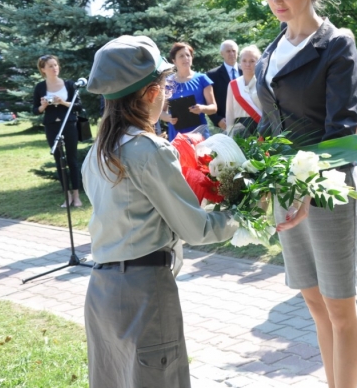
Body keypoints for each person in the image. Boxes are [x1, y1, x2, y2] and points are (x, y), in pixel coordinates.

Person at [81, 35, 238, 387]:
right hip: (144, 290)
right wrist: (244, 215)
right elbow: (196, 229)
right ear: (152, 93)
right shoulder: (148, 149)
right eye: (165, 87)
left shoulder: (97, 152)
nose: (167, 95)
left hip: (102, 289)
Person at [254, 0, 357, 388]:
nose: (276, 1)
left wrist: (306, 189)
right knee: (315, 304)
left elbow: (341, 130)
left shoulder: (337, 45)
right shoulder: (270, 51)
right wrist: (254, 177)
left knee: (340, 308)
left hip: (328, 188)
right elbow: (269, 124)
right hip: (286, 189)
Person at [32, 55, 83, 207]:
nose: (55, 68)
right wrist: (43, 106)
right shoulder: (40, 87)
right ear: (43, 69)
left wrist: (63, 102)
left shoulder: (69, 84)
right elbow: (35, 110)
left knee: (72, 160)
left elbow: (78, 106)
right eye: (50, 66)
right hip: (51, 126)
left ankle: (76, 196)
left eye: (56, 65)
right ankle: (67, 196)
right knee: (59, 160)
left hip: (69, 124)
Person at [160, 42, 217, 141]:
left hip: (199, 133)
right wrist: (169, 118)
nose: (186, 58)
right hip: (177, 134)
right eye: (181, 56)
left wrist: (202, 108)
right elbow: (161, 112)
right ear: (174, 61)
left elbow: (213, 107)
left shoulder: (202, 79)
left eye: (188, 55)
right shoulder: (168, 83)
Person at [225, 45, 262, 135]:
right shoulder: (233, 84)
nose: (247, 64)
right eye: (244, 61)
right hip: (239, 130)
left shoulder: (263, 83)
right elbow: (229, 112)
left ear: (258, 62)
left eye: (252, 61)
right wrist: (229, 133)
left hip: (260, 128)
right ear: (240, 62)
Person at [207, 40, 239, 130]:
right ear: (222, 54)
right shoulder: (212, 75)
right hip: (225, 124)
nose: (231, 54)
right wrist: (217, 120)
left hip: (248, 121)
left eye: (233, 51)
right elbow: (208, 101)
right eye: (228, 51)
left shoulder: (246, 70)